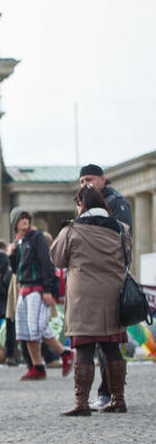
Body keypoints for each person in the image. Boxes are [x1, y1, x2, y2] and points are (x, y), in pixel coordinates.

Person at [52, 185, 131, 416]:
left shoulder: (73, 230)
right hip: (113, 295)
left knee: (84, 348)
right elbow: (128, 254)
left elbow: (56, 258)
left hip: (82, 296)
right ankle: (118, 399)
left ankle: (82, 402)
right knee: (111, 346)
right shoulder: (121, 229)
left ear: (81, 205)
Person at [78, 163, 133, 411]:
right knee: (105, 341)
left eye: (89, 179)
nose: (85, 184)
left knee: (103, 341)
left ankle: (107, 392)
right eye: (81, 181)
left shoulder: (116, 202)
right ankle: (110, 394)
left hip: (107, 280)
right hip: (100, 281)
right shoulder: (88, 203)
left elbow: (123, 238)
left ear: (103, 179)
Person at [7, 207, 73, 381]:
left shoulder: (37, 238)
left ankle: (64, 353)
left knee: (36, 328)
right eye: (21, 218)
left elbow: (46, 264)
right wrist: (11, 255)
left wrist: (47, 290)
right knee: (24, 331)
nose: (25, 220)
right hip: (24, 289)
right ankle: (37, 366)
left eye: (26, 218)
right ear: (15, 222)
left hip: (37, 288)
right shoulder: (18, 242)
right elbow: (15, 270)